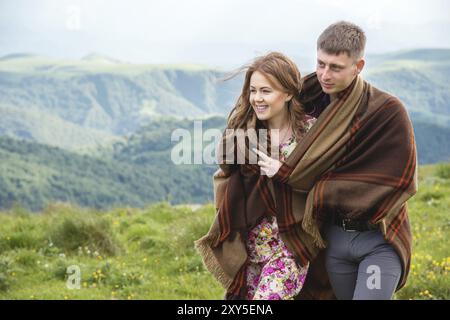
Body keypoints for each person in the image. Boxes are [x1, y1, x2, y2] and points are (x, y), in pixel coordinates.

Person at [291, 21, 417, 300]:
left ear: (358, 66)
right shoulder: (307, 99)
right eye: (321, 63)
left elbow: (400, 179)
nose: (324, 74)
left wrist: (316, 186)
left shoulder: (387, 111)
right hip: (333, 241)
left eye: (335, 67)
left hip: (377, 240)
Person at [195, 52, 317, 300]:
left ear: (289, 93)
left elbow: (322, 181)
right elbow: (227, 173)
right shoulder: (245, 134)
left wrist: (285, 172)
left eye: (266, 91)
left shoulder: (310, 132)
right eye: (253, 91)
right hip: (251, 247)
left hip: (290, 246)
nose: (257, 99)